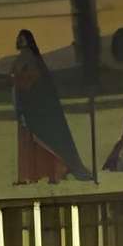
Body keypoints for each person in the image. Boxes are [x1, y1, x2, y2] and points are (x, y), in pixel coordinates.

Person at [9, 29, 90, 183]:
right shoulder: (21, 58)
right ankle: (31, 175)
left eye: (23, 38)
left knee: (43, 138)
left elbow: (34, 81)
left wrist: (19, 81)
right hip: (25, 104)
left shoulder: (32, 58)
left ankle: (55, 172)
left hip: (36, 106)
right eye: (19, 38)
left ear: (29, 40)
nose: (20, 40)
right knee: (29, 140)